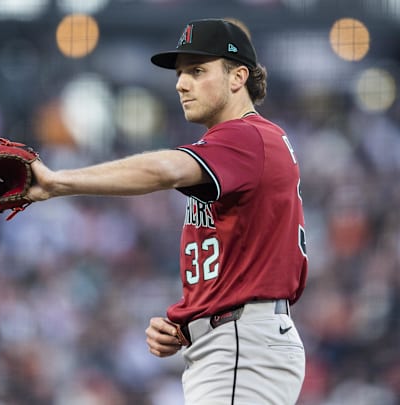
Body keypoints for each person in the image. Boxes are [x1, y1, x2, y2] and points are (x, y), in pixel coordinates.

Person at [27, 18, 307, 404]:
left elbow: (164, 170)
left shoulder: (246, 136)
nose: (181, 83)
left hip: (243, 343)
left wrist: (59, 182)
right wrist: (189, 323)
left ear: (238, 77)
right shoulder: (244, 145)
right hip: (236, 341)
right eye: (180, 74)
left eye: (197, 70)